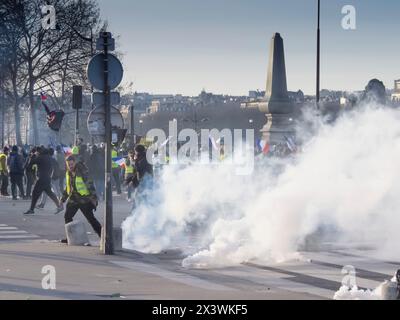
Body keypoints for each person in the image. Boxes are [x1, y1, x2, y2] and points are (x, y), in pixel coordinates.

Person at [60, 155, 102, 243]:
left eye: (72, 164)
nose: (70, 166)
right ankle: (70, 237)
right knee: (67, 216)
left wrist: (94, 199)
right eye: (69, 165)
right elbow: (68, 187)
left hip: (84, 199)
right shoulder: (68, 172)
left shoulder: (82, 170)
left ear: (75, 162)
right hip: (74, 199)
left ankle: (103, 237)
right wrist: (63, 199)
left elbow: (90, 185)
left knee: (91, 219)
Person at [23, 147, 64, 215]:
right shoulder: (49, 157)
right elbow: (56, 164)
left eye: (37, 152)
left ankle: (31, 209)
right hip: (48, 178)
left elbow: (30, 165)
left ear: (39, 152)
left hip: (42, 178)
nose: (37, 153)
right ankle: (59, 206)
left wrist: (31, 157)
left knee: (35, 193)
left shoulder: (41, 157)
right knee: (50, 193)